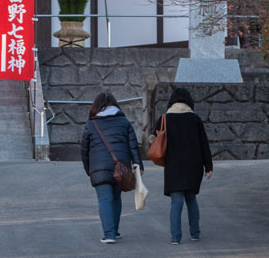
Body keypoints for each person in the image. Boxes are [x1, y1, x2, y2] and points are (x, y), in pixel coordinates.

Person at [80, 91, 144, 244]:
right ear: (115, 105)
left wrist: (89, 169)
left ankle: (109, 234)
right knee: (115, 198)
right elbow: (133, 146)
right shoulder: (124, 122)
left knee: (104, 199)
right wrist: (138, 165)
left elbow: (84, 151)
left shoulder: (91, 124)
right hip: (120, 167)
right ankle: (114, 231)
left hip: (98, 168)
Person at [153, 87, 213, 245]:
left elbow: (154, 139)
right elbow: (204, 144)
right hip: (194, 166)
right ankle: (195, 233)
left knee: (176, 201)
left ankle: (175, 237)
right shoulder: (195, 119)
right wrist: (209, 166)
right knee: (191, 199)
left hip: (174, 166)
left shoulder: (164, 118)